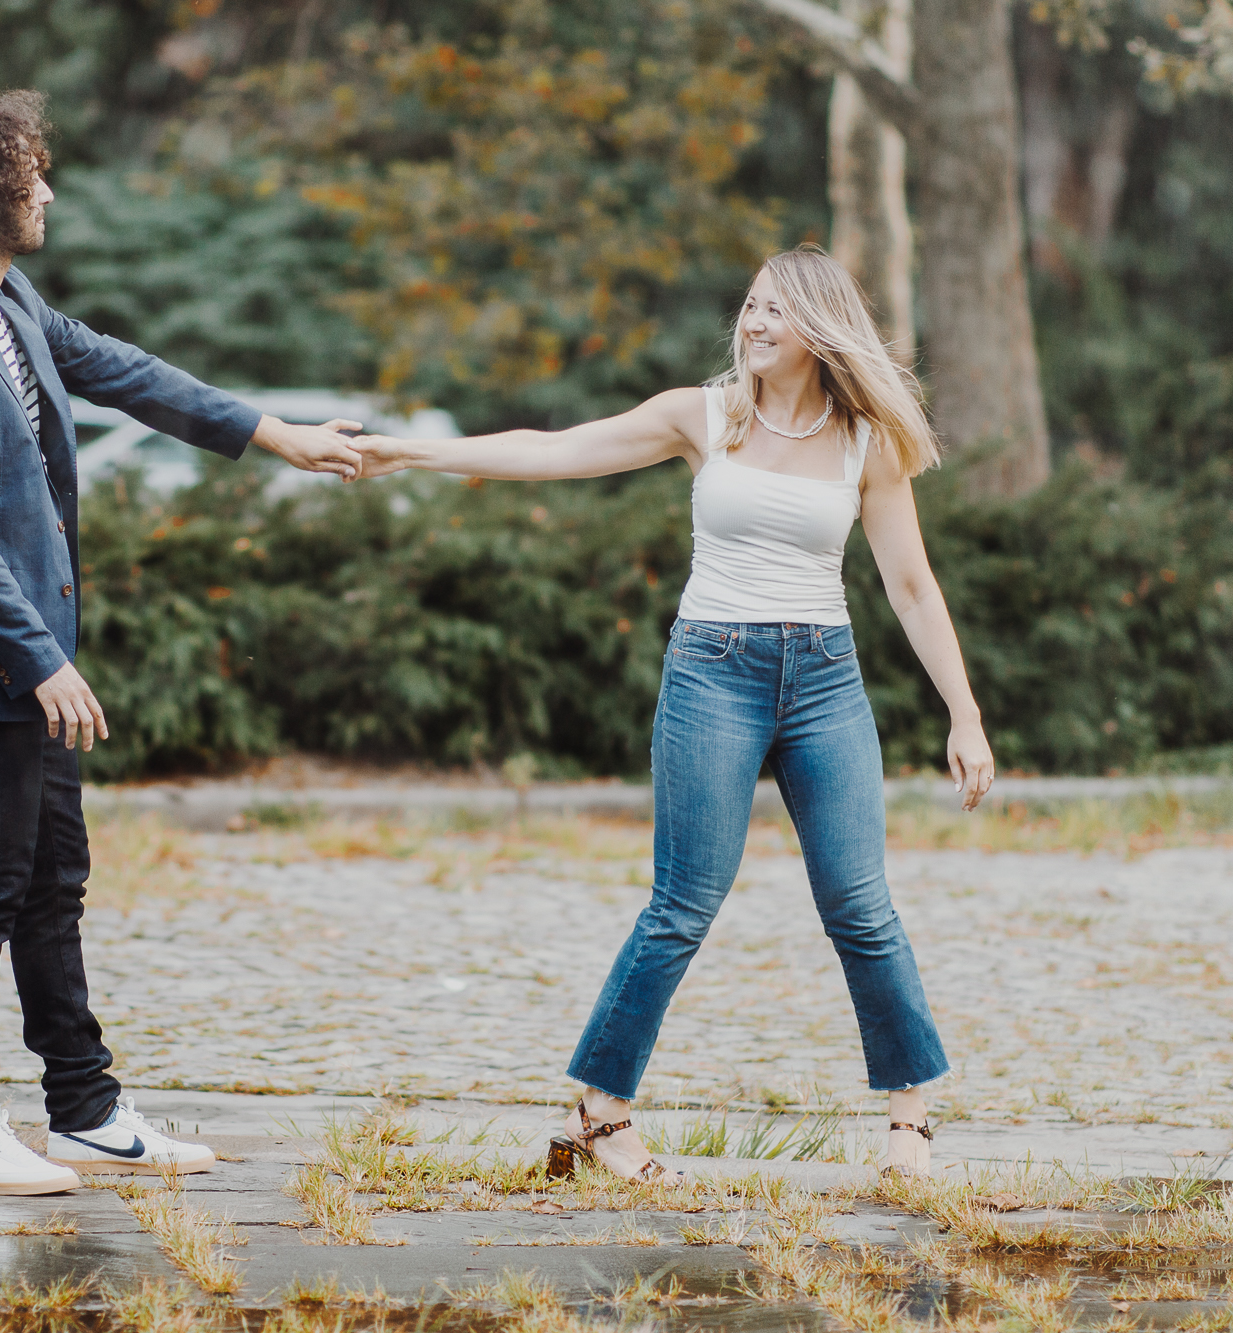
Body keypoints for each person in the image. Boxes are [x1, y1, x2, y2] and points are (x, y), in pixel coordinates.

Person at [355, 245, 994, 1180]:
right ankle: (601, 1112)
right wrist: (406, 450)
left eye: (776, 310)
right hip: (714, 673)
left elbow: (910, 582)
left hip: (823, 678)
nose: (754, 322)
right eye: (749, 305)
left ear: (819, 325)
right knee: (682, 903)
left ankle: (910, 1117)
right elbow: (556, 450)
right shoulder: (704, 415)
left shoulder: (867, 440)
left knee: (860, 903)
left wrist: (963, 714)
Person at [0, 90, 363, 1195]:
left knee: (55, 883)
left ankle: (84, 1107)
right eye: (31, 174)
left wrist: (271, 431)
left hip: (29, 655)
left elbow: (122, 369)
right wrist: (39, 658)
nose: (47, 191)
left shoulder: (6, 301)